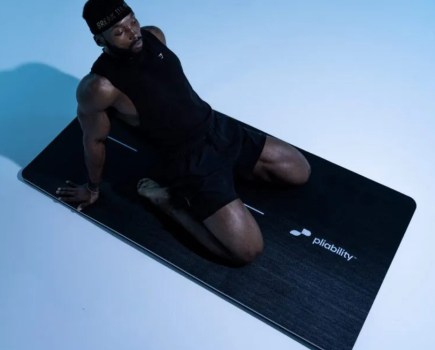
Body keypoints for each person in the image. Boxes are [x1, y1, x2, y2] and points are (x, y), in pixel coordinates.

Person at [57, 0, 311, 265]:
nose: (133, 33)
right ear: (100, 40)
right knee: (248, 251)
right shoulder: (99, 88)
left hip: (217, 128)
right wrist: (92, 188)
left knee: (300, 171)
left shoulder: (154, 35)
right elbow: (94, 139)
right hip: (190, 162)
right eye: (119, 32)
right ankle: (168, 201)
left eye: (132, 21)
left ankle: (232, 172)